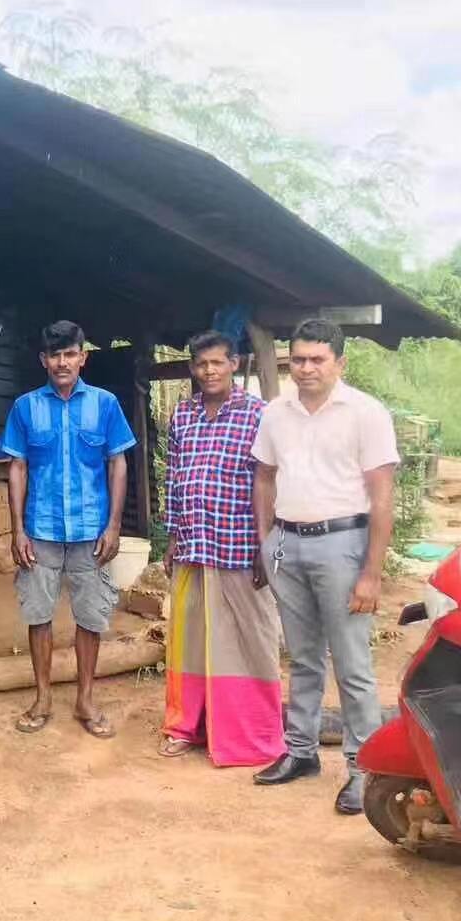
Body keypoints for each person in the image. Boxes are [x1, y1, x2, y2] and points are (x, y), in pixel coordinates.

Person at [251, 318, 398, 815]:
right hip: (288, 544)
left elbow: (381, 498)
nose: (307, 368)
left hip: (344, 544)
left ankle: (363, 768)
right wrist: (265, 539)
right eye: (299, 359)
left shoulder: (366, 414)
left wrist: (371, 573)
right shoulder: (276, 413)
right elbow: (265, 478)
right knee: (303, 656)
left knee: (352, 664)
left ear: (340, 363)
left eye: (317, 359)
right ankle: (300, 751)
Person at [2, 320, 136, 740]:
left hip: (91, 530)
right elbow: (17, 467)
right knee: (38, 614)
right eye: (54, 355)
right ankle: (42, 697)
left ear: (83, 357)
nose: (62, 362)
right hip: (40, 530)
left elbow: (118, 462)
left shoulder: (105, 404)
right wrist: (18, 529)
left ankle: (85, 699)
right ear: (43, 360)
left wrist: (115, 525)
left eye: (70, 354)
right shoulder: (25, 407)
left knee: (90, 616)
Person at [159, 331, 284, 765]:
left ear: (235, 363)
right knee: (189, 641)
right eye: (200, 364)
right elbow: (174, 480)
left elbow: (270, 484)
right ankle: (186, 725)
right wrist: (173, 539)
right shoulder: (183, 414)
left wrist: (266, 547)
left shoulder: (258, 415)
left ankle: (249, 733)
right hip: (194, 546)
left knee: (251, 640)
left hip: (239, 546)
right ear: (192, 368)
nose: (208, 371)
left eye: (217, 362)